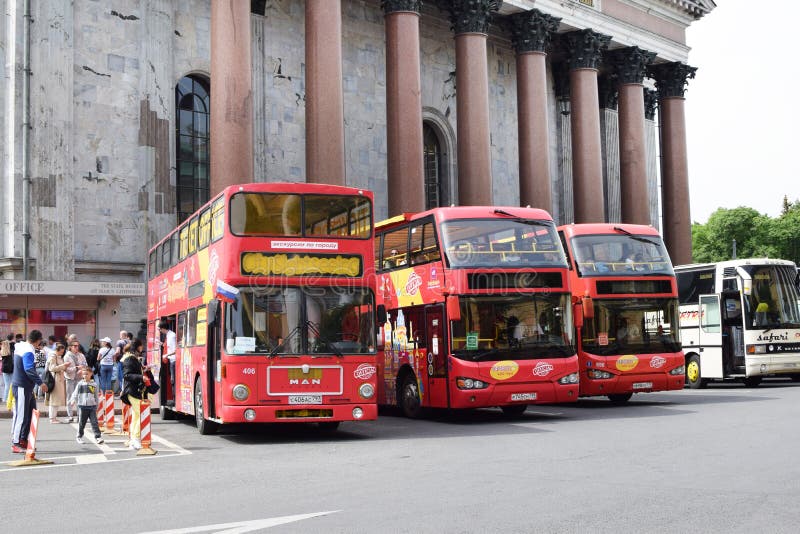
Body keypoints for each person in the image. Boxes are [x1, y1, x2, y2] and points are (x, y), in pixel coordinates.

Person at [11, 330, 49, 453]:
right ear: (37, 341)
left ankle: (23, 439)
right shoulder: (28, 350)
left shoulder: (21, 345)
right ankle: (16, 442)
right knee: (21, 415)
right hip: (22, 386)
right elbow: (28, 369)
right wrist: (40, 383)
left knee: (30, 413)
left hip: (25, 385)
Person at [68, 366, 104, 445]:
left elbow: (96, 396)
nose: (85, 376)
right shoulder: (80, 384)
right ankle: (79, 436)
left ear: (91, 374)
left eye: (87, 374)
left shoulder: (94, 384)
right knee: (82, 422)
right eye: (84, 374)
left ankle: (98, 437)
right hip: (82, 406)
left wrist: (96, 405)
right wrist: (72, 400)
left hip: (92, 407)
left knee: (94, 422)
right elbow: (75, 393)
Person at [121, 341, 145, 450]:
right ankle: (135, 439)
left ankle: (133, 440)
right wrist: (141, 377)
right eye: (141, 345)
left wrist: (143, 370)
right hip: (132, 390)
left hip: (134, 390)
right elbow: (127, 375)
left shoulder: (132, 358)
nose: (142, 347)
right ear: (137, 347)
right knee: (140, 414)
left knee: (136, 415)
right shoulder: (130, 358)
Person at [45, 342, 70, 423]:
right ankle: (52, 418)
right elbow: (52, 368)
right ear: (57, 350)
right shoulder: (53, 357)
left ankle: (53, 417)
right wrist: (63, 366)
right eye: (61, 351)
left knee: (56, 400)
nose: (62, 353)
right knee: (54, 400)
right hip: (55, 379)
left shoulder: (57, 357)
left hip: (59, 379)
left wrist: (64, 366)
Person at [64, 341, 87, 422]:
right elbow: (66, 370)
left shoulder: (81, 355)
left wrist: (83, 369)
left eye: (78, 346)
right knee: (70, 397)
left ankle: (79, 415)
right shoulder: (67, 356)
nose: (77, 347)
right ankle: (70, 415)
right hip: (70, 379)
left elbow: (85, 365)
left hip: (79, 379)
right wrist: (76, 368)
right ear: (70, 347)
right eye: (75, 346)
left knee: (79, 397)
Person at [159, 321, 177, 404]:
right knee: (172, 379)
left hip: (173, 360)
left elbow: (175, 350)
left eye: (160, 329)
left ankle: (175, 399)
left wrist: (166, 355)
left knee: (173, 380)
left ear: (163, 328)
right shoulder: (169, 335)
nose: (160, 331)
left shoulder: (172, 336)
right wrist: (162, 344)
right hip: (171, 360)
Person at [114, 330, 128, 397]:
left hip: (121, 361)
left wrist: (113, 356)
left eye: (120, 335)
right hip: (128, 360)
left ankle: (123, 393)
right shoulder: (129, 342)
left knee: (121, 377)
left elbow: (118, 352)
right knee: (127, 376)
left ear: (122, 335)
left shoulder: (119, 342)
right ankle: (127, 392)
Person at [1, 339, 12, 404]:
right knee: (10, 385)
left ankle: (5, 398)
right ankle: (6, 398)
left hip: (4, 370)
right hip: (10, 370)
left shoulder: (2, 352)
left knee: (6, 385)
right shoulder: (10, 353)